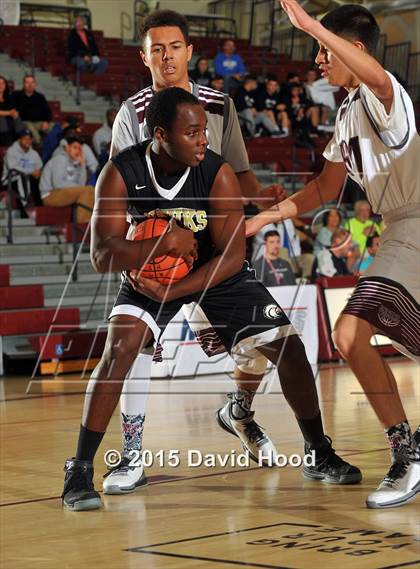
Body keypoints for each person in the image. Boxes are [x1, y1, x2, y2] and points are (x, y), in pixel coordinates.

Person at [61, 88, 361, 511]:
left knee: (290, 349)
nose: (204, 139)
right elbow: (101, 254)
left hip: (213, 271)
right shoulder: (122, 171)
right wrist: (164, 242)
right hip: (152, 270)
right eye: (192, 132)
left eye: (204, 130)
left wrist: (176, 290)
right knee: (120, 347)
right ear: (161, 134)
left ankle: (318, 451)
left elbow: (234, 255)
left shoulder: (217, 172)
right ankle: (80, 469)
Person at [105, 9, 347, 496]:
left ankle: (275, 429)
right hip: (160, 251)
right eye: (157, 48)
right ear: (144, 56)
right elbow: (125, 193)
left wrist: (268, 202)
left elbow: (238, 174)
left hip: (217, 249)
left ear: (189, 51)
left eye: (174, 46)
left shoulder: (219, 106)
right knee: (137, 347)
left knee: (272, 338)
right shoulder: (130, 116)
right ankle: (130, 457)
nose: (166, 56)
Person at [248, 0, 420, 509]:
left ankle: (407, 455)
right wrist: (267, 216)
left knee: (348, 334)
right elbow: (324, 188)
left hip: (415, 222)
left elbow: (381, 79)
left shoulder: (385, 95)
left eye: (324, 49)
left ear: (356, 49)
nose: (318, 59)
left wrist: (310, 22)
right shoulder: (346, 112)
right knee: (357, 336)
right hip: (401, 229)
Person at [39, 135, 94, 222]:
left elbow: (81, 185)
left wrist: (83, 165)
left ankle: (86, 221)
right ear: (67, 148)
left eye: (80, 149)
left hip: (63, 192)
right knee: (88, 190)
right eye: (75, 147)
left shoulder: (75, 162)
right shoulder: (59, 159)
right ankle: (82, 223)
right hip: (49, 194)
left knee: (90, 190)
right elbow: (58, 183)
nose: (77, 151)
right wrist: (77, 187)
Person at [1, 129, 43, 216]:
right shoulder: (11, 151)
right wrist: (31, 172)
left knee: (38, 180)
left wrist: (38, 173)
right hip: (10, 180)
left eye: (29, 139)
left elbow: (39, 168)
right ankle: (25, 209)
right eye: (25, 138)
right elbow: (13, 168)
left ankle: (40, 209)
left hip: (27, 179)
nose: (27, 141)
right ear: (19, 140)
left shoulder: (34, 153)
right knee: (22, 177)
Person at [12, 75, 53, 145]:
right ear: (23, 84)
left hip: (39, 122)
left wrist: (46, 122)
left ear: (35, 84)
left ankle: (50, 147)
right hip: (25, 122)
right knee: (35, 137)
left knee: (55, 128)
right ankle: (38, 145)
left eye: (32, 82)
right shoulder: (16, 95)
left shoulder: (40, 97)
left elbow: (47, 112)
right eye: (27, 82)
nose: (30, 85)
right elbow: (13, 111)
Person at [0, 75, 24, 145]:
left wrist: (14, 113)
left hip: (9, 120)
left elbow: (13, 109)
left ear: (5, 85)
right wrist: (9, 113)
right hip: (2, 121)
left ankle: (22, 140)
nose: (0, 85)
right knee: (2, 120)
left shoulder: (9, 97)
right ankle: (6, 144)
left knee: (17, 119)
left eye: (2, 83)